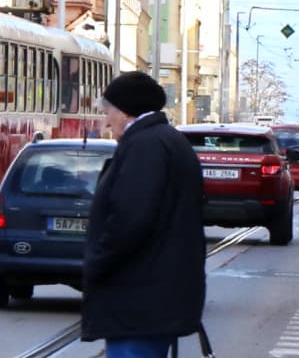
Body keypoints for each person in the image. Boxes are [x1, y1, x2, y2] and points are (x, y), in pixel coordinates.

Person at [81, 71, 206, 357]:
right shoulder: (167, 140)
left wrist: (96, 262)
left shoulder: (144, 146)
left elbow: (130, 217)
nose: (107, 121)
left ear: (125, 111)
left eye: (108, 112)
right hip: (156, 291)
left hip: (139, 295)